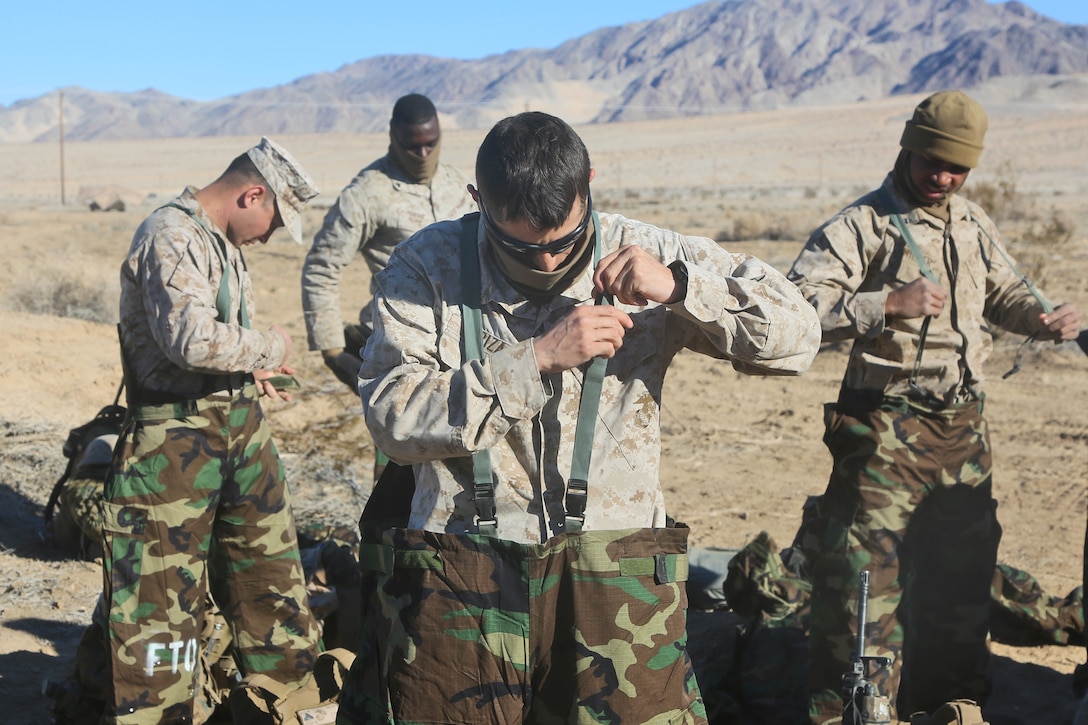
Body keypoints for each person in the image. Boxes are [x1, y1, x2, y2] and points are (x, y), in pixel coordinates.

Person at [336, 111, 822, 724]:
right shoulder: (425, 268)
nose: (544, 263)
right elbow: (391, 418)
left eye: (563, 241)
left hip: (616, 569)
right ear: (477, 200)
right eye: (518, 245)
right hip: (464, 564)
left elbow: (799, 336)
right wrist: (534, 361)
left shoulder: (647, 251)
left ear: (588, 184)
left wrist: (679, 287)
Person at [787, 90, 1082, 723]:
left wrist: (1043, 318)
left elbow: (1002, 297)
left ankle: (952, 703)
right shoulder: (861, 225)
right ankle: (856, 709)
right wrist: (884, 305)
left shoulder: (972, 222)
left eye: (957, 169)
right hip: (887, 426)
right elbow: (796, 308)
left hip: (964, 430)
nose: (942, 178)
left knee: (961, 575)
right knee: (868, 579)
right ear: (907, 147)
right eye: (931, 163)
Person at [97, 137, 322, 723]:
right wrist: (269, 343)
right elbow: (191, 340)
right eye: (274, 220)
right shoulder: (169, 234)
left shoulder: (218, 242)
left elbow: (215, 343)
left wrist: (252, 368)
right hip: (170, 448)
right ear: (252, 193)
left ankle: (289, 706)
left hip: (237, 432)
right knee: (159, 611)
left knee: (271, 585)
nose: (272, 237)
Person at [300, 93, 476, 390]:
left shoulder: (458, 185)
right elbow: (322, 267)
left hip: (465, 345)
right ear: (393, 136)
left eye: (430, 143)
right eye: (412, 145)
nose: (422, 153)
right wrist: (330, 349)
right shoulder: (367, 193)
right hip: (400, 347)